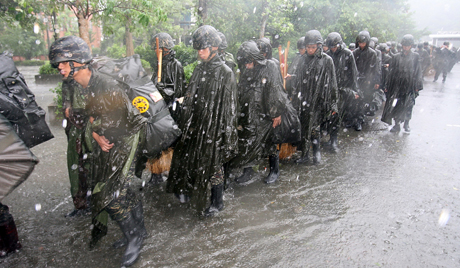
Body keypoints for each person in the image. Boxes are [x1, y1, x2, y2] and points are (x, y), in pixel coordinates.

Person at [49, 36, 147, 267]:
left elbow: (129, 120)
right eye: (58, 63)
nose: (59, 67)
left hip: (128, 138)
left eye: (64, 62)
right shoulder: (85, 85)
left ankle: (134, 238)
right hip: (108, 139)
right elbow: (91, 117)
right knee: (124, 187)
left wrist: (102, 134)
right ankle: (139, 231)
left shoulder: (107, 85)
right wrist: (96, 134)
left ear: (79, 62)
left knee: (109, 194)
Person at [166, 25, 238, 217]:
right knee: (193, 159)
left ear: (214, 47)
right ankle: (189, 190)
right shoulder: (199, 69)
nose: (199, 52)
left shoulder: (225, 72)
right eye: (198, 48)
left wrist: (227, 136)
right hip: (196, 124)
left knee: (214, 164)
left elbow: (231, 107)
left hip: (215, 127)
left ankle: (217, 201)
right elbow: (190, 96)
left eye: (203, 48)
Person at [229, 40, 287, 184]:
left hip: (267, 112)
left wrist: (276, 113)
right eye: (244, 63)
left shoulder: (270, 66)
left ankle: (274, 169)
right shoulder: (246, 69)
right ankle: (248, 171)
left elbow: (276, 90)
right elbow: (241, 89)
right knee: (248, 141)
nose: (247, 66)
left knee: (270, 142)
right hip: (250, 111)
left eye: (249, 62)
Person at [291, 30, 338, 164]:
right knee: (305, 127)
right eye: (308, 47)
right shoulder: (302, 59)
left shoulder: (326, 60)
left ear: (318, 46)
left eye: (313, 47)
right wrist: (292, 80)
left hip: (320, 99)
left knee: (314, 128)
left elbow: (333, 83)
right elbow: (299, 78)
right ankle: (305, 154)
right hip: (304, 98)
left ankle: (316, 152)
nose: (310, 50)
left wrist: (333, 103)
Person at [149, 32, 185, 184]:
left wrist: (161, 89)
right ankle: (156, 173)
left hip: (171, 111)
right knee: (155, 142)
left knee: (170, 143)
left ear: (164, 49)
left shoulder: (175, 65)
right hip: (158, 111)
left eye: (157, 49)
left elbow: (177, 91)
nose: (155, 52)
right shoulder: (158, 65)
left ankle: (173, 173)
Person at [325, 32, 360, 151]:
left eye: (335, 46)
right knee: (328, 115)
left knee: (337, 114)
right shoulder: (327, 55)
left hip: (342, 89)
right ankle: (330, 138)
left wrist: (355, 90)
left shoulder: (347, 54)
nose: (333, 49)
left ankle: (334, 140)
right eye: (331, 47)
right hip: (329, 89)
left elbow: (354, 73)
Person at [381, 34, 423, 133]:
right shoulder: (396, 57)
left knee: (409, 105)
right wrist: (387, 85)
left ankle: (407, 124)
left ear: (411, 46)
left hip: (410, 86)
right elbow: (391, 72)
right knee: (397, 105)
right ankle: (396, 124)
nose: (406, 48)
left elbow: (418, 71)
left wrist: (417, 85)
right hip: (398, 85)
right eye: (404, 46)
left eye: (408, 46)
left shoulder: (415, 57)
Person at [353, 30, 382, 117]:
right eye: (360, 43)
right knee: (356, 100)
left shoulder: (372, 53)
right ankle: (356, 117)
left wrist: (376, 81)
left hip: (367, 80)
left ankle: (360, 118)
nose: (361, 44)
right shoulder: (355, 52)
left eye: (363, 43)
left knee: (364, 99)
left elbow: (376, 68)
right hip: (357, 79)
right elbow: (352, 67)